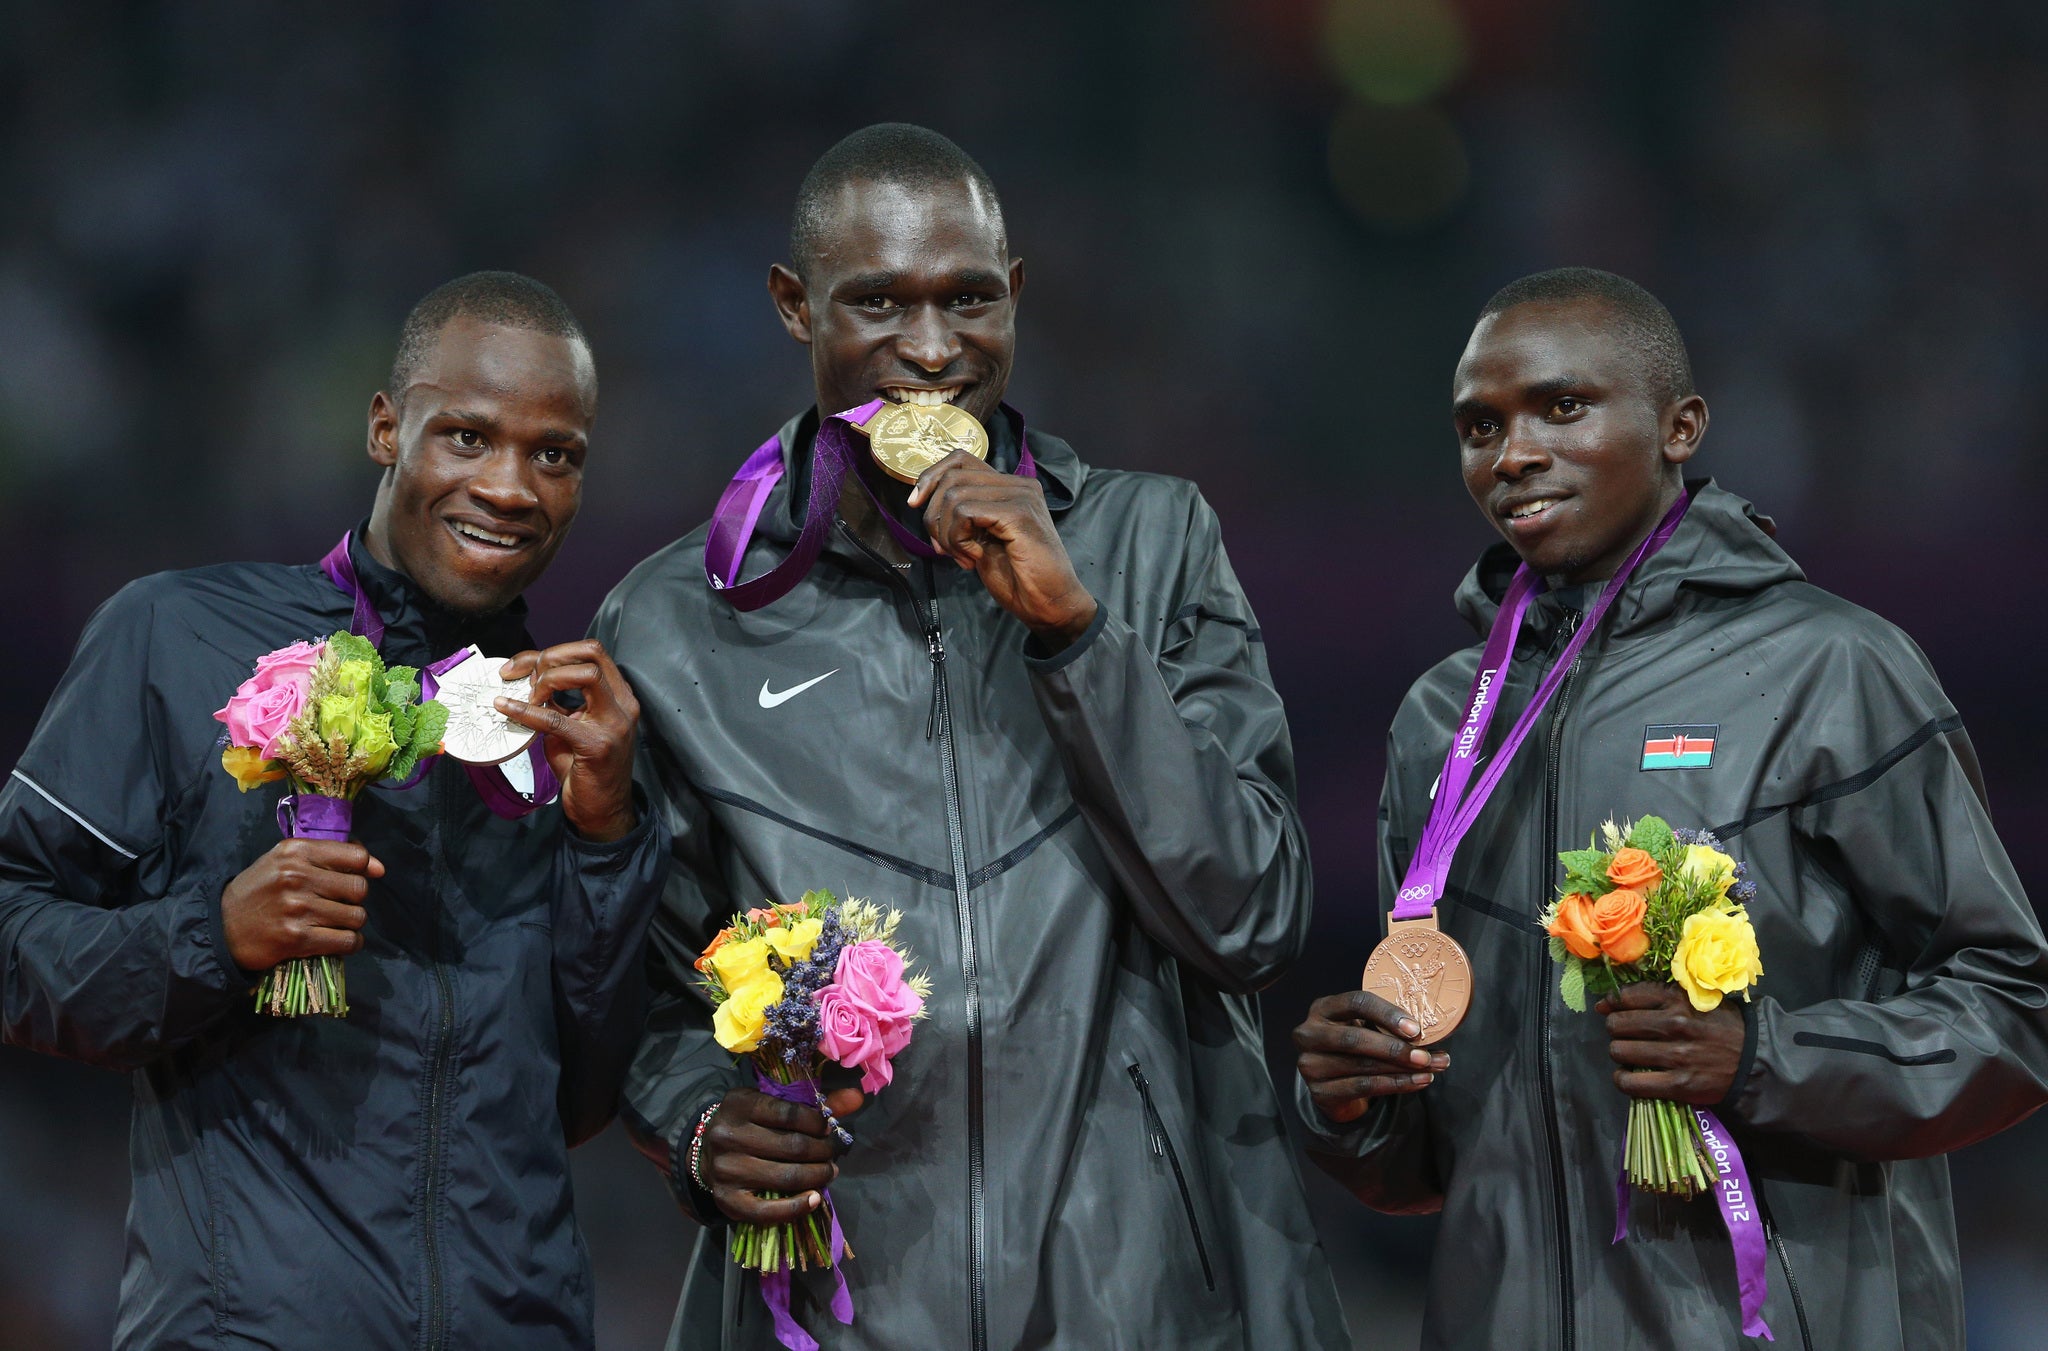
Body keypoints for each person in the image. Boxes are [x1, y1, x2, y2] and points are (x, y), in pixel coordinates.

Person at [598, 124, 1350, 1350]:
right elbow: (639, 987)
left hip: (1135, 1301)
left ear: (1017, 294)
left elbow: (1252, 914)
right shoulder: (679, 623)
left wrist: (1074, 636)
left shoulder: (1152, 549)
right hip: (838, 1303)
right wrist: (696, 1119)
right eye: (879, 303)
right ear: (795, 306)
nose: (933, 350)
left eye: (968, 299)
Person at [1291, 266, 2048, 1349]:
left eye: (1561, 408)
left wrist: (1759, 1060)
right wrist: (1359, 1103)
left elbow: (2014, 1012)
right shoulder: (1438, 723)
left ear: (1679, 426)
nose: (1511, 455)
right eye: (1477, 425)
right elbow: (1439, 1163)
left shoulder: (1828, 670)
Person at [0, 271, 668, 1349]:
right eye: (466, 437)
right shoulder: (177, 637)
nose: (510, 485)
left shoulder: (567, 725)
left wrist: (604, 839)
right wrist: (210, 936)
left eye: (555, 454)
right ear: (383, 428)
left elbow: (579, 1101)